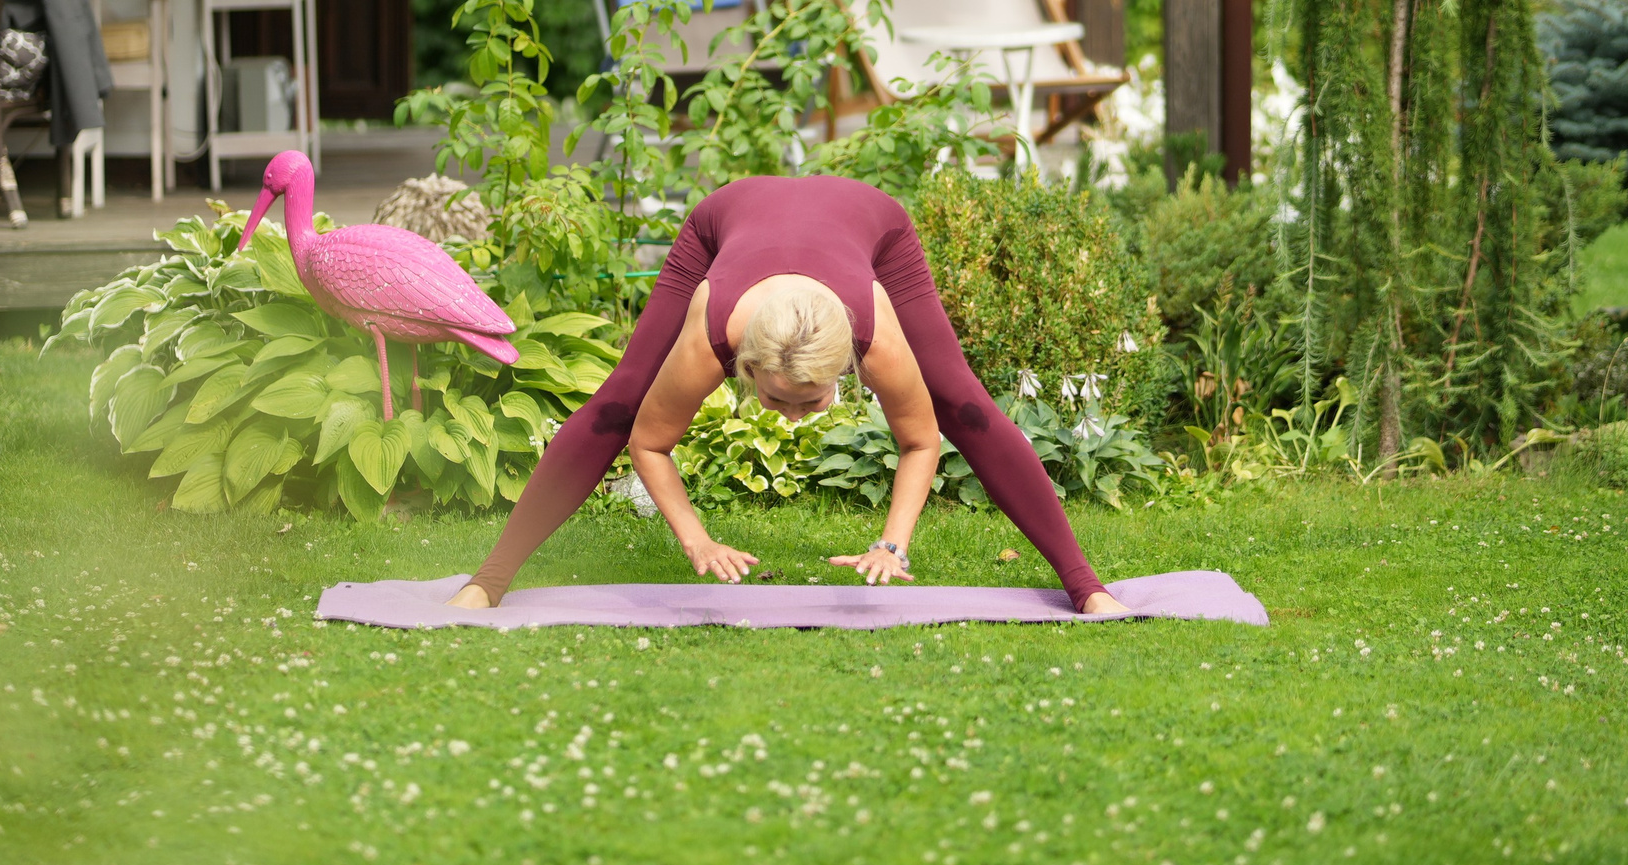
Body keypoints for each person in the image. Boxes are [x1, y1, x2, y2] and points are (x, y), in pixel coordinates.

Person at [449, 174, 1129, 615]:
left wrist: (892, 546)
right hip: (727, 218)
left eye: (811, 401)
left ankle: (1086, 585)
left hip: (870, 221)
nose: (796, 418)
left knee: (961, 400)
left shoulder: (874, 332)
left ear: (848, 365)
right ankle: (489, 579)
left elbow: (922, 439)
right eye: (779, 400)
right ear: (743, 366)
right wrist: (697, 541)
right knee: (620, 398)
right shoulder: (713, 329)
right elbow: (648, 442)